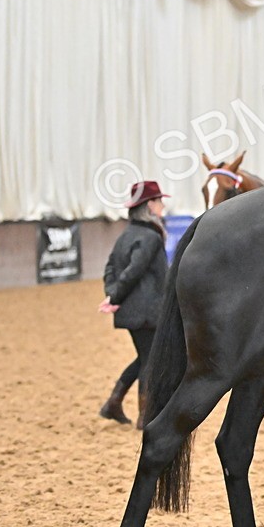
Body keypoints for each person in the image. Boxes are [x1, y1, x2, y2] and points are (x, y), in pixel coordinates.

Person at [98, 180, 169, 429]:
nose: (162, 206)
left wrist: (112, 294)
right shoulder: (150, 236)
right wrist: (114, 296)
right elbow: (133, 271)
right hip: (148, 311)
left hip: (133, 311)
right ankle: (144, 416)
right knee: (150, 361)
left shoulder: (125, 235)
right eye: (159, 201)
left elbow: (110, 268)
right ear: (149, 205)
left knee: (143, 358)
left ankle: (113, 403)